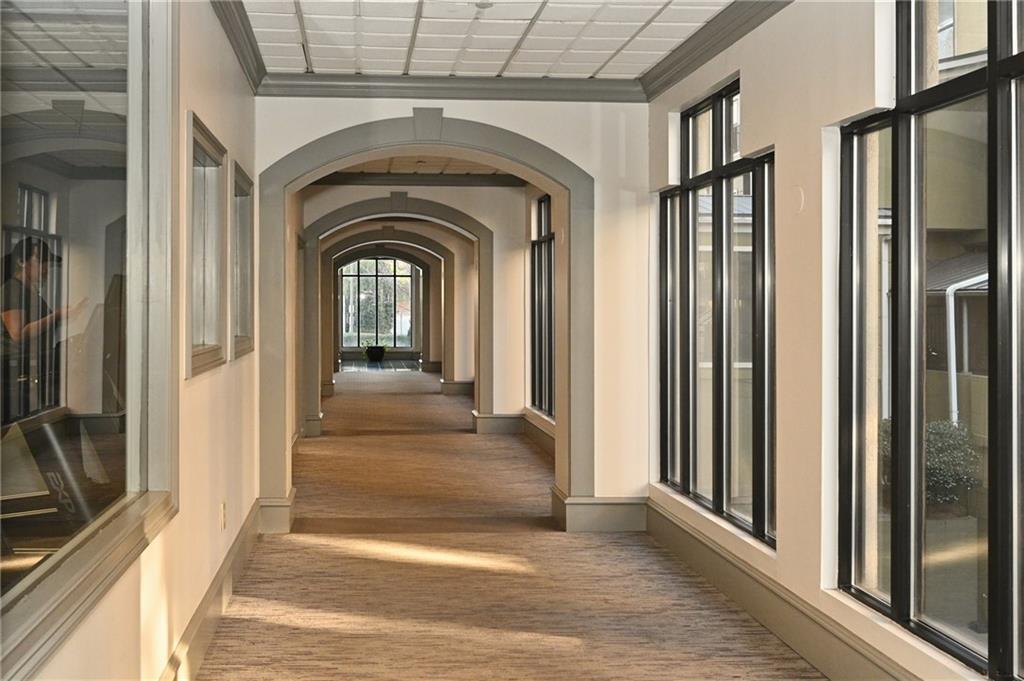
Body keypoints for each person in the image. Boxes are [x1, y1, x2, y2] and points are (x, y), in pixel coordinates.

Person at [1, 237, 82, 424]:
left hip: (30, 368)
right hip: (13, 373)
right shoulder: (12, 290)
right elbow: (18, 334)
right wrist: (58, 316)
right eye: (41, 261)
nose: (46, 268)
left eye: (48, 263)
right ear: (22, 262)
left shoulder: (30, 293)